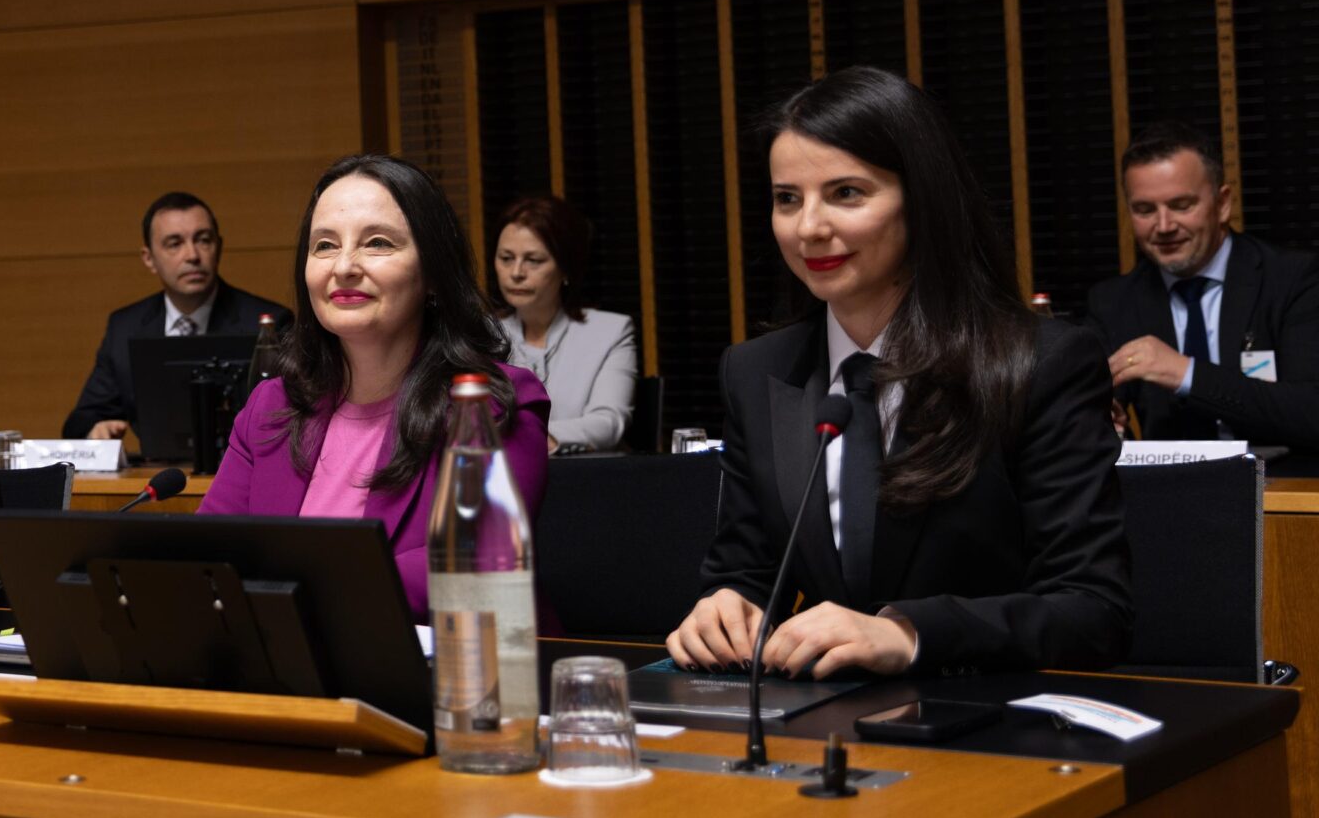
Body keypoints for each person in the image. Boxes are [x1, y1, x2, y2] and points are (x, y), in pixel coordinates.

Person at [669, 67, 1131, 678]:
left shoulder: (1041, 363)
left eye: (846, 194)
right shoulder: (756, 372)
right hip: (821, 728)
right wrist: (724, 609)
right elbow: (746, 571)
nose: (808, 227)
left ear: (922, 200)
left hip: (994, 725)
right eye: (787, 199)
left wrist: (907, 634)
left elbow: (1093, 612)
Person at [198, 156, 549, 620]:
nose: (343, 266)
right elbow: (208, 554)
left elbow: (470, 565)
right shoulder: (272, 406)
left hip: (456, 673)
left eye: (377, 243)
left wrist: (281, 593)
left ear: (432, 274)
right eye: (324, 246)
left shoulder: (494, 403)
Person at [1086, 122, 1319, 454]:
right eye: (1145, 210)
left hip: (1279, 492)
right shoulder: (1114, 302)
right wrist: (1107, 422)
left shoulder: (1292, 279)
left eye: (1181, 205)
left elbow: (1311, 411)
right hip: (1169, 495)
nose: (1164, 226)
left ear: (1223, 203)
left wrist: (1187, 374)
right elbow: (1100, 415)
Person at [62, 191, 293, 446]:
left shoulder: (270, 324)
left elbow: (295, 418)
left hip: (243, 472)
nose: (192, 255)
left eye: (203, 240)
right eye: (175, 243)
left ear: (219, 247)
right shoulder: (125, 327)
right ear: (149, 258)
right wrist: (96, 430)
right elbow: (81, 419)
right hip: (159, 477)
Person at [491, 195, 639, 452]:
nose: (516, 273)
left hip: (585, 480)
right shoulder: (481, 333)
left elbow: (608, 422)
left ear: (566, 268)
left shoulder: (610, 332)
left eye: (533, 260)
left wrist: (525, 438)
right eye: (506, 258)